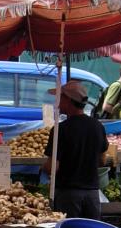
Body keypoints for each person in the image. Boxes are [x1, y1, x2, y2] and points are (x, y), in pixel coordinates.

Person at [44, 80, 108, 219]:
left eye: (60, 97)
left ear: (68, 100)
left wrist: (43, 169)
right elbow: (102, 160)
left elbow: (52, 167)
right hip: (92, 194)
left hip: (68, 195)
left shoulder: (60, 130)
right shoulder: (97, 126)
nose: (58, 101)